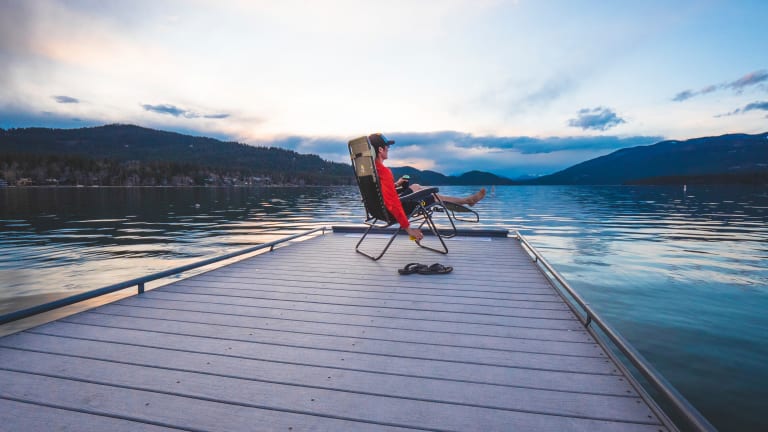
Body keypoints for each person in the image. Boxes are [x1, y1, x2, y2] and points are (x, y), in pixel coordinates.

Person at [369, 133, 487, 241]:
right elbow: (393, 203)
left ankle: (467, 201)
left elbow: (379, 192)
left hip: (378, 210)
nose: (388, 149)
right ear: (380, 149)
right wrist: (409, 230)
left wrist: (396, 184)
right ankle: (467, 201)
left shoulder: (371, 170)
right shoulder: (384, 171)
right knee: (433, 196)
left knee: (415, 186)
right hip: (391, 211)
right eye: (387, 146)